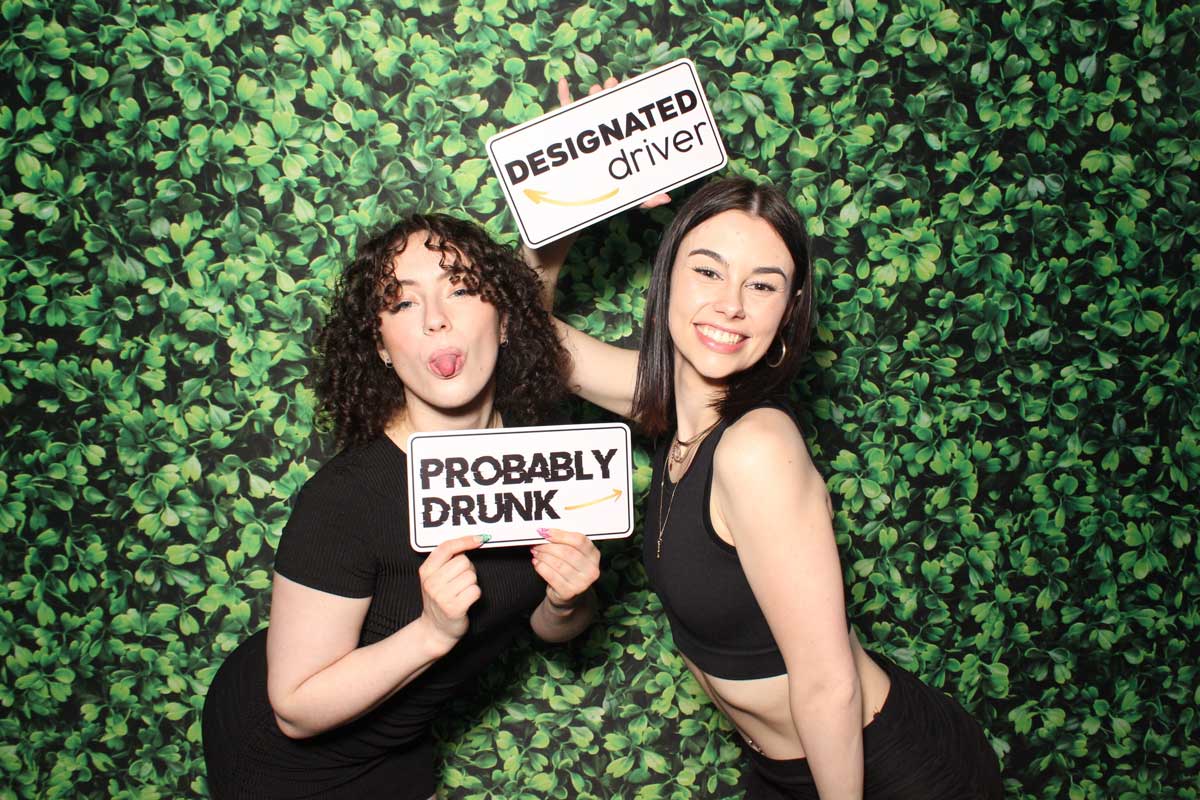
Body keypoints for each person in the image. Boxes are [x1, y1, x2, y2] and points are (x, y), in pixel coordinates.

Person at [536, 176, 1003, 798]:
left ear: (788, 309)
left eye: (762, 285)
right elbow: (527, 333)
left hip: (882, 773)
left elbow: (828, 683)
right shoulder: (679, 407)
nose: (731, 304)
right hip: (786, 770)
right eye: (708, 272)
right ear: (667, 277)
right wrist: (568, 208)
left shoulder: (756, 448)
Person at [202, 213, 602, 799]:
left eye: (460, 290)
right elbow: (295, 708)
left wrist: (569, 599)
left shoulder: (546, 462)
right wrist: (432, 633)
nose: (436, 318)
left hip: (399, 738)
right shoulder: (347, 498)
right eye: (404, 302)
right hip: (286, 760)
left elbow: (548, 625)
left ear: (506, 321)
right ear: (381, 346)